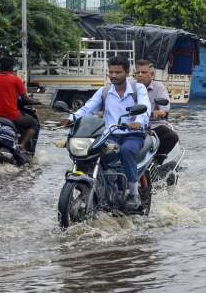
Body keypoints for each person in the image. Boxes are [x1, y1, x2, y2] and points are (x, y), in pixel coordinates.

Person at [65, 55, 151, 209]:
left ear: (127, 72)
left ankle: (133, 194)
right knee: (92, 152)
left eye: (118, 72)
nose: (113, 75)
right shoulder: (104, 91)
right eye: (111, 72)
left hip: (133, 134)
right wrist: (71, 118)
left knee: (126, 150)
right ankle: (102, 186)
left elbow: (145, 107)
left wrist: (138, 121)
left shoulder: (138, 89)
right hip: (110, 134)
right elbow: (88, 108)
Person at [0, 56, 40, 155]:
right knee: (34, 123)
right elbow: (25, 99)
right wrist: (37, 102)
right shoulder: (16, 80)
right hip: (12, 116)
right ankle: (21, 146)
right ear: (12, 68)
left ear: (0, 67)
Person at [135, 59, 179, 160]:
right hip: (133, 126)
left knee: (172, 136)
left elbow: (164, 107)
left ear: (152, 74)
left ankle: (157, 160)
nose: (140, 75)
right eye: (138, 72)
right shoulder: (131, 87)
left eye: (144, 72)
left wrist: (160, 112)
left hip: (153, 125)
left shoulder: (159, 87)